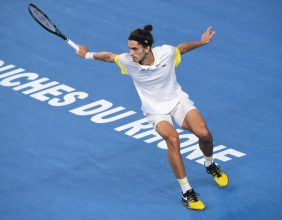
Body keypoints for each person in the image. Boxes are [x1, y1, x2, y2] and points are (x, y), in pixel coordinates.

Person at [76, 25, 228, 210]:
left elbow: (182, 48)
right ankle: (187, 192)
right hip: (155, 111)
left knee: (204, 134)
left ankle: (210, 164)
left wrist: (202, 42)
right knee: (173, 139)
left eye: (135, 49)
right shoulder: (127, 61)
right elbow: (109, 57)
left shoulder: (166, 52)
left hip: (178, 102)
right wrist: (87, 54)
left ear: (147, 48)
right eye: (129, 48)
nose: (130, 53)